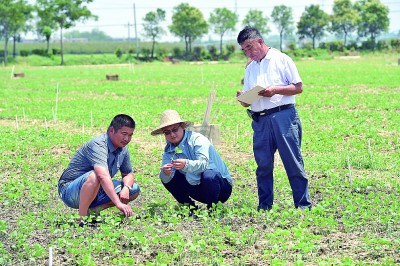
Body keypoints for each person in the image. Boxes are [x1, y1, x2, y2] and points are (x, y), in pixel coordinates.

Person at [236, 26, 311, 211]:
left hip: (283, 116)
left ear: (260, 42)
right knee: (263, 165)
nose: (248, 52)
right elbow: (248, 99)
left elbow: (298, 87)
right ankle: (265, 206)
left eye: (249, 46)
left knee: (292, 163)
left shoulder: (281, 59)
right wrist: (243, 99)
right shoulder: (250, 69)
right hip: (260, 121)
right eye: (244, 49)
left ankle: (303, 206)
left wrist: (275, 90)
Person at [58, 114, 140, 226]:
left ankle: (92, 211)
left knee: (134, 189)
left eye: (130, 135)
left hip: (96, 189)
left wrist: (126, 188)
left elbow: (128, 174)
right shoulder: (98, 144)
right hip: (70, 191)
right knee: (96, 175)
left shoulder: (123, 149)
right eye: (124, 134)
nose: (127, 139)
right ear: (112, 130)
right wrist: (118, 203)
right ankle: (81, 218)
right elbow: (102, 175)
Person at [151, 110, 232, 211]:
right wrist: (165, 173)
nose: (172, 135)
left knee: (209, 175)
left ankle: (213, 209)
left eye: (175, 130)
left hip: (221, 188)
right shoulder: (169, 150)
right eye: (167, 132)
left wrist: (186, 164)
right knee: (166, 176)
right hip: (197, 187)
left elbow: (204, 164)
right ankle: (189, 207)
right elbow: (166, 179)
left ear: (183, 126)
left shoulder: (197, 139)